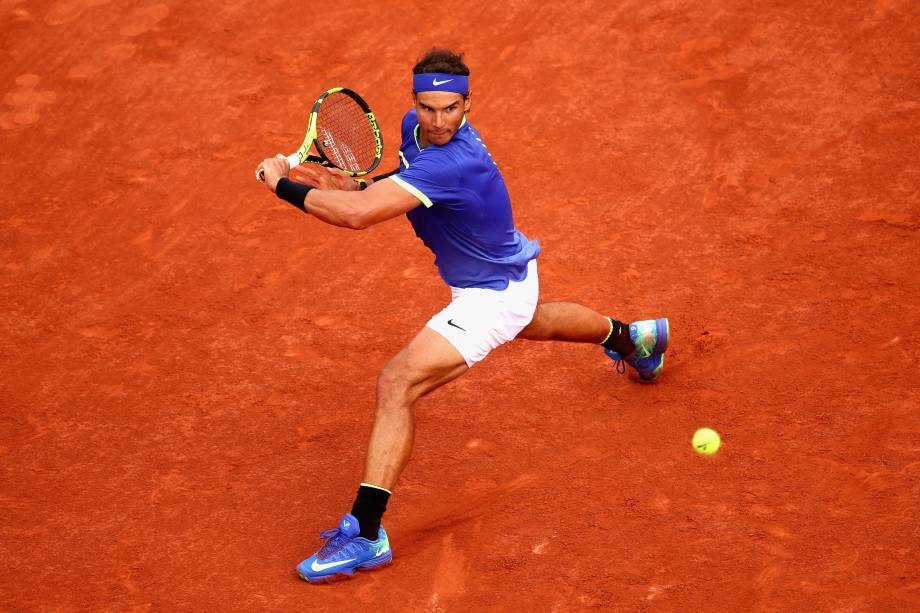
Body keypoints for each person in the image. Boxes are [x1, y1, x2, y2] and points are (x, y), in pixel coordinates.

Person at [255, 48, 669, 583]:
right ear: (414, 105)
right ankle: (633, 338)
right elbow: (392, 181)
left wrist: (281, 185)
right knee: (532, 320)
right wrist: (348, 183)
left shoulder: (457, 160)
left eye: (451, 108)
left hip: (488, 294)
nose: (439, 120)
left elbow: (358, 218)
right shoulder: (418, 134)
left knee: (397, 384)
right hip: (512, 270)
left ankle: (365, 532)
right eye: (428, 109)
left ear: (468, 103)